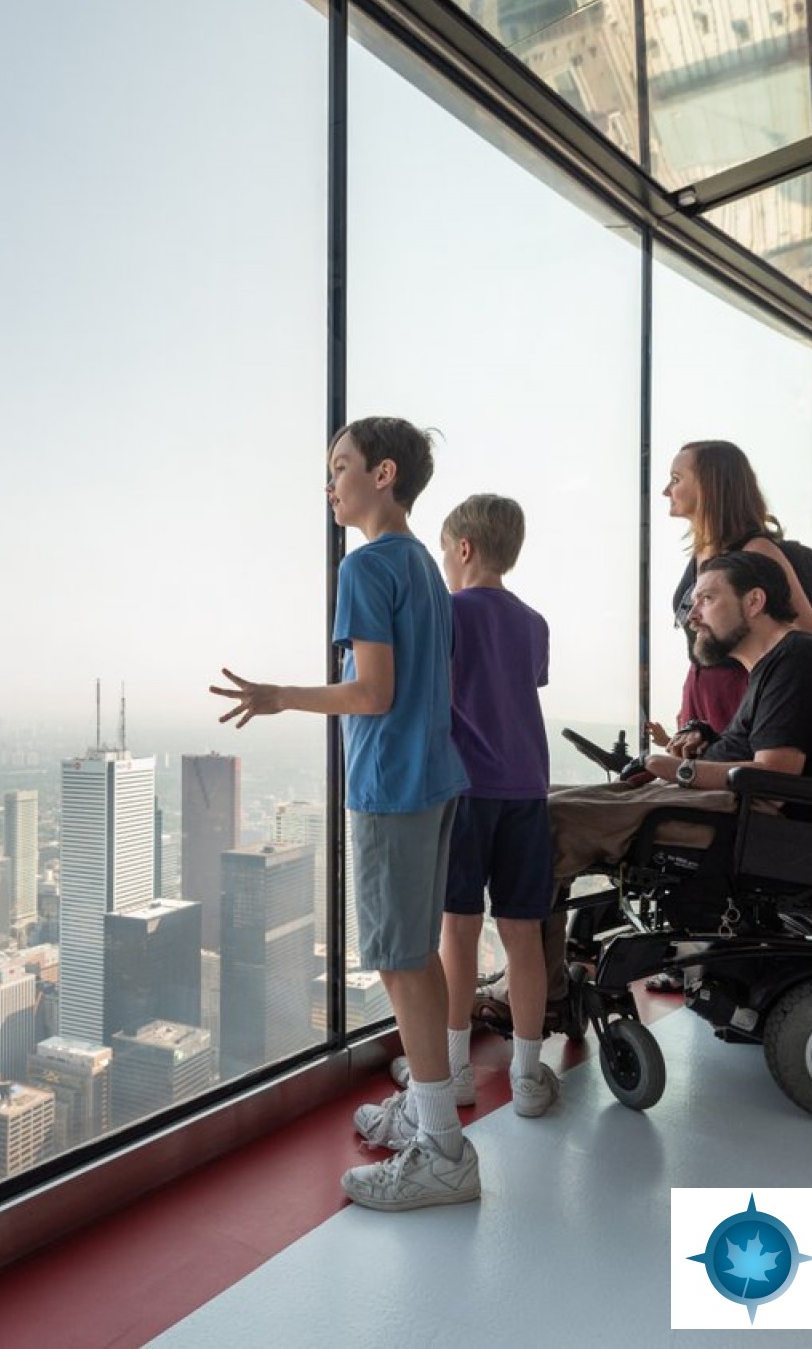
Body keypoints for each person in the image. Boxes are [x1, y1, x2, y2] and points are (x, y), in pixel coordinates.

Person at [210, 416, 474, 1212]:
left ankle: (442, 1154)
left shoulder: (365, 566)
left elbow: (373, 693)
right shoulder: (424, 564)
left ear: (383, 474)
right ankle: (430, 1117)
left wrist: (278, 696)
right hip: (434, 777)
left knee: (397, 960)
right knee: (415, 957)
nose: (331, 485)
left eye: (341, 467)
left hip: (392, 786)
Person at [384, 494, 560, 1121]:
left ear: (462, 550)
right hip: (528, 792)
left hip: (466, 791)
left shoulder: (450, 615)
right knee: (523, 934)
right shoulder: (534, 623)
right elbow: (522, 686)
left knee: (457, 929)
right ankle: (529, 1074)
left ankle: (455, 1068)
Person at [548, 551, 812, 880]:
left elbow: (775, 777)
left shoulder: (798, 659)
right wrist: (706, 739)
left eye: (706, 599)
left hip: (746, 817)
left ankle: (528, 932)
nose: (692, 618)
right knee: (529, 804)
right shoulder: (772, 664)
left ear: (754, 602)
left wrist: (675, 768)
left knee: (548, 817)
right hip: (720, 805)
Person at [654, 441, 812, 753]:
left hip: (743, 694)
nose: (666, 490)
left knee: (740, 789)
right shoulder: (701, 551)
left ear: (708, 484)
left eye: (676, 480)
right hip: (703, 692)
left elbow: (808, 627)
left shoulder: (756, 549)